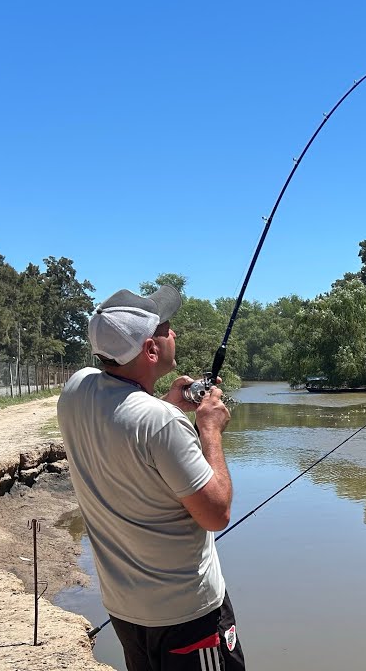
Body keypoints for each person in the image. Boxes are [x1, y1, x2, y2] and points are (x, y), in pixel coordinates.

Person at [57, 284, 245, 671]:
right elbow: (216, 514)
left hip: (126, 611)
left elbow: (124, 420)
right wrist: (208, 430)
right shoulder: (162, 424)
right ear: (151, 350)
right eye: (166, 327)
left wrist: (166, 402)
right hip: (189, 615)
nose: (173, 332)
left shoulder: (76, 390)